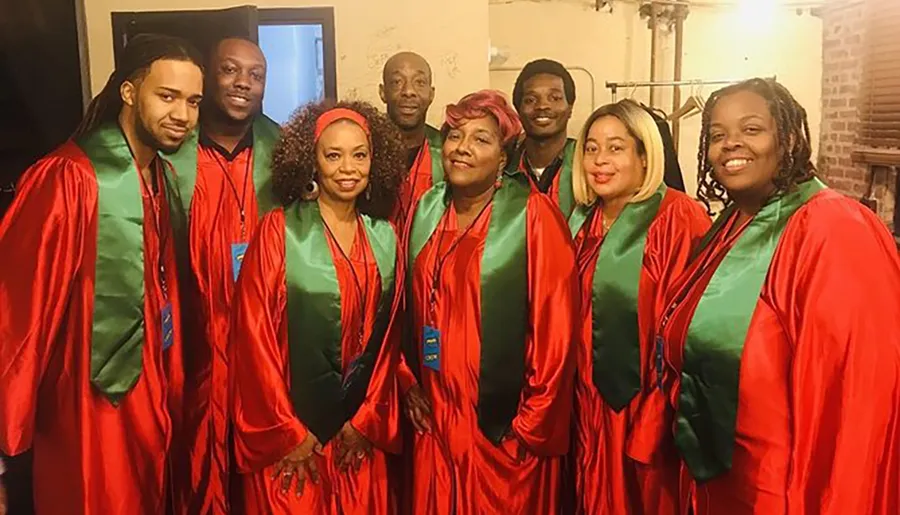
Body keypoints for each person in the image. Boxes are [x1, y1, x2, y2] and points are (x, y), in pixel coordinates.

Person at [658, 78, 900, 514]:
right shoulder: (731, 224)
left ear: (788, 138)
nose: (731, 144)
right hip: (717, 479)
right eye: (717, 134)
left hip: (780, 490)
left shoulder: (831, 228)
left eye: (752, 129)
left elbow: (857, 404)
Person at [0, 34, 204, 513]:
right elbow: (16, 315)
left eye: (193, 101)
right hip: (89, 409)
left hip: (155, 400)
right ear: (130, 93)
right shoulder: (68, 178)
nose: (183, 115)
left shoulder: (164, 178)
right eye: (167, 96)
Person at [400, 90, 579, 514]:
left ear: (503, 158)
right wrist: (407, 380)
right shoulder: (428, 207)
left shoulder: (532, 215)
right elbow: (403, 307)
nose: (462, 148)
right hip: (437, 415)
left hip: (501, 423)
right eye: (455, 135)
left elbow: (557, 329)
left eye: (481, 139)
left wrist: (528, 426)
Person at [229, 100, 406, 513]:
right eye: (333, 155)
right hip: (293, 436)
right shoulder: (279, 231)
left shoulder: (384, 237)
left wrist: (366, 422)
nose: (348, 168)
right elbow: (252, 337)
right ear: (311, 161)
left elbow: (389, 342)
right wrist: (285, 431)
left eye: (359, 155)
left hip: (357, 434)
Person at [567, 100, 710, 514]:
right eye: (591, 148)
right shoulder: (582, 221)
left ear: (644, 155)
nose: (600, 161)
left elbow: (692, 327)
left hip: (644, 406)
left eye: (615, 147)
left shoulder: (678, 218)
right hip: (587, 407)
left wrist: (659, 409)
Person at [165, 36, 281, 515]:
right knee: (197, 456)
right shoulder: (171, 154)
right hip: (195, 340)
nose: (243, 84)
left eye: (256, 76)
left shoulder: (286, 153)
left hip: (269, 339)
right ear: (209, 77)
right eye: (230, 70)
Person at [380, 51, 443, 226]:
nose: (408, 91)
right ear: (382, 92)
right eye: (397, 82)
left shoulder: (448, 151)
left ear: (431, 94)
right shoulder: (363, 150)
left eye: (419, 83)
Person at [509, 59, 578, 218]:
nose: (542, 106)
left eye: (555, 98)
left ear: (570, 107)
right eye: (530, 100)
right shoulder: (505, 168)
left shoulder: (587, 165)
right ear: (518, 109)